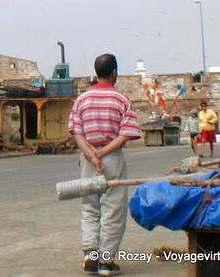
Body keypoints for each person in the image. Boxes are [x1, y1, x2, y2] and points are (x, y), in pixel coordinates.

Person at [68, 54, 142, 277]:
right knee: (113, 210)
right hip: (111, 159)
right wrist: (101, 153)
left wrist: (91, 154)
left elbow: (77, 132)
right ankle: (106, 263)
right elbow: (126, 134)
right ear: (114, 72)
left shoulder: (81, 100)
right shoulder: (121, 100)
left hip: (88, 160)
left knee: (90, 206)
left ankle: (90, 255)